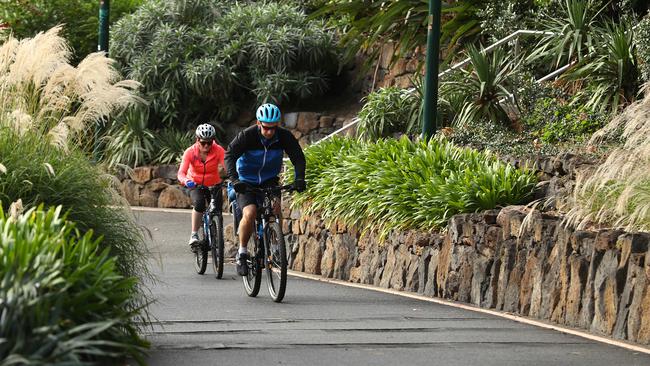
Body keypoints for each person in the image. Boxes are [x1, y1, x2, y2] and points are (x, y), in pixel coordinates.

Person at [225, 103, 306, 276]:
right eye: (266, 128)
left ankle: (274, 243)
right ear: (259, 123)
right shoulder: (247, 136)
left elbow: (298, 157)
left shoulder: (283, 136)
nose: (269, 132)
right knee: (250, 212)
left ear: (278, 125)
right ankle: (242, 252)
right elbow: (230, 155)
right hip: (246, 180)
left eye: (273, 128)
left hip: (269, 179)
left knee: (275, 209)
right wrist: (235, 179)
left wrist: (299, 178)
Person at [177, 123, 226, 250]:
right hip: (195, 184)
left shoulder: (219, 150)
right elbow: (181, 173)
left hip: (214, 184)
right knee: (199, 204)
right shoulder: (190, 152)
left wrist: (233, 177)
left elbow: (228, 166)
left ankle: (217, 237)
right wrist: (186, 181)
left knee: (217, 211)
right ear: (197, 140)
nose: (206, 146)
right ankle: (194, 234)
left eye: (209, 143)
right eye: (203, 142)